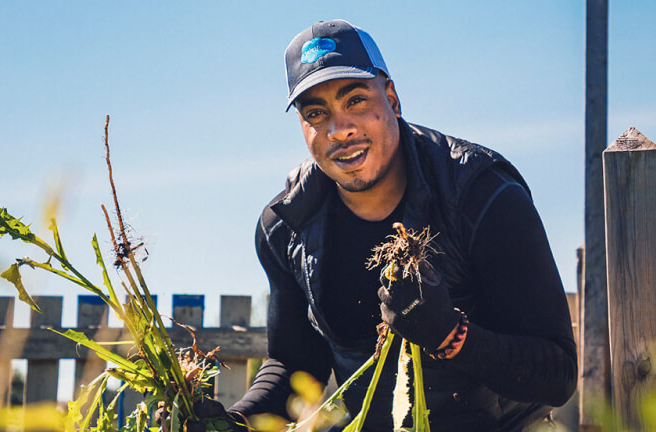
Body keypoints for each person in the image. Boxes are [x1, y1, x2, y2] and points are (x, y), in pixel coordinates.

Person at [227, 20, 577, 431]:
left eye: (355, 100)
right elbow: (295, 365)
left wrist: (451, 336)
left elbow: (556, 373)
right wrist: (233, 421)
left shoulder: (482, 195)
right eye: (316, 114)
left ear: (392, 99)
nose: (340, 130)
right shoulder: (285, 226)